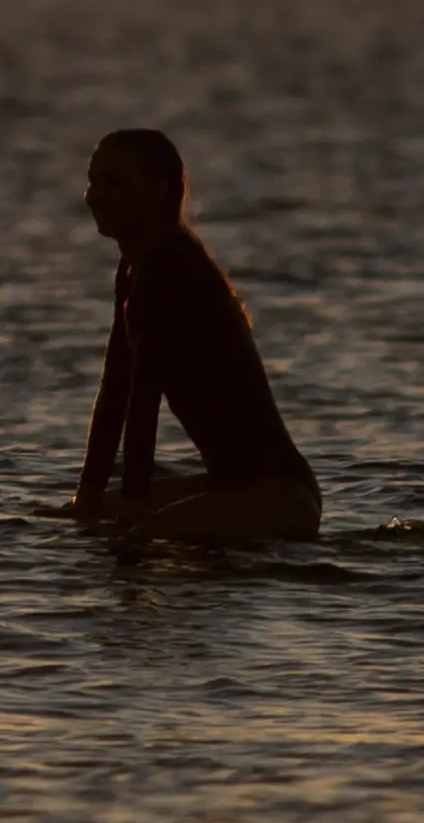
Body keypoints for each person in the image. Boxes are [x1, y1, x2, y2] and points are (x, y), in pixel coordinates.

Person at [68, 128, 322, 541]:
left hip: (278, 495)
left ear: (159, 190)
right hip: (232, 488)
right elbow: (116, 389)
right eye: (93, 181)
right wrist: (88, 495)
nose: (94, 196)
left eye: (113, 182)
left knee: (138, 536)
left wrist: (133, 503)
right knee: (89, 517)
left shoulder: (171, 269)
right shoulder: (135, 269)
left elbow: (143, 398)